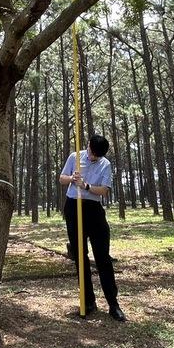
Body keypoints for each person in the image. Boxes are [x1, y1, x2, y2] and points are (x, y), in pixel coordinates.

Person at [59, 134, 126, 321]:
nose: (92, 157)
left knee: (102, 257)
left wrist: (87, 186)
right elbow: (61, 179)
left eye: (96, 156)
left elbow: (104, 191)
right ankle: (88, 302)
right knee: (80, 256)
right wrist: (72, 178)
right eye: (91, 153)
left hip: (93, 210)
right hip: (73, 207)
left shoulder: (105, 164)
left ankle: (113, 304)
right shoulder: (75, 157)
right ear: (87, 146)